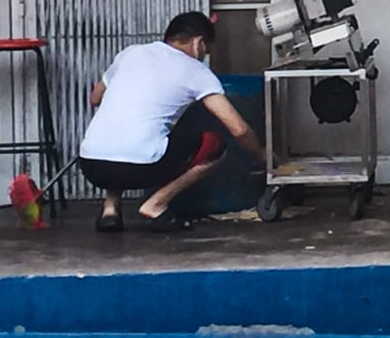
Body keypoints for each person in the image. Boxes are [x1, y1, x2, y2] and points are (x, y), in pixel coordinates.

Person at [78, 12, 268, 233]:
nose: (204, 54)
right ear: (198, 43)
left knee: (122, 129)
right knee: (215, 146)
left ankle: (109, 209)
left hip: (91, 165)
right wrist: (261, 155)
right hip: (140, 168)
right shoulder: (195, 70)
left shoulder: (131, 54)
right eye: (206, 48)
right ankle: (156, 205)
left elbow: (95, 98)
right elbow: (239, 128)